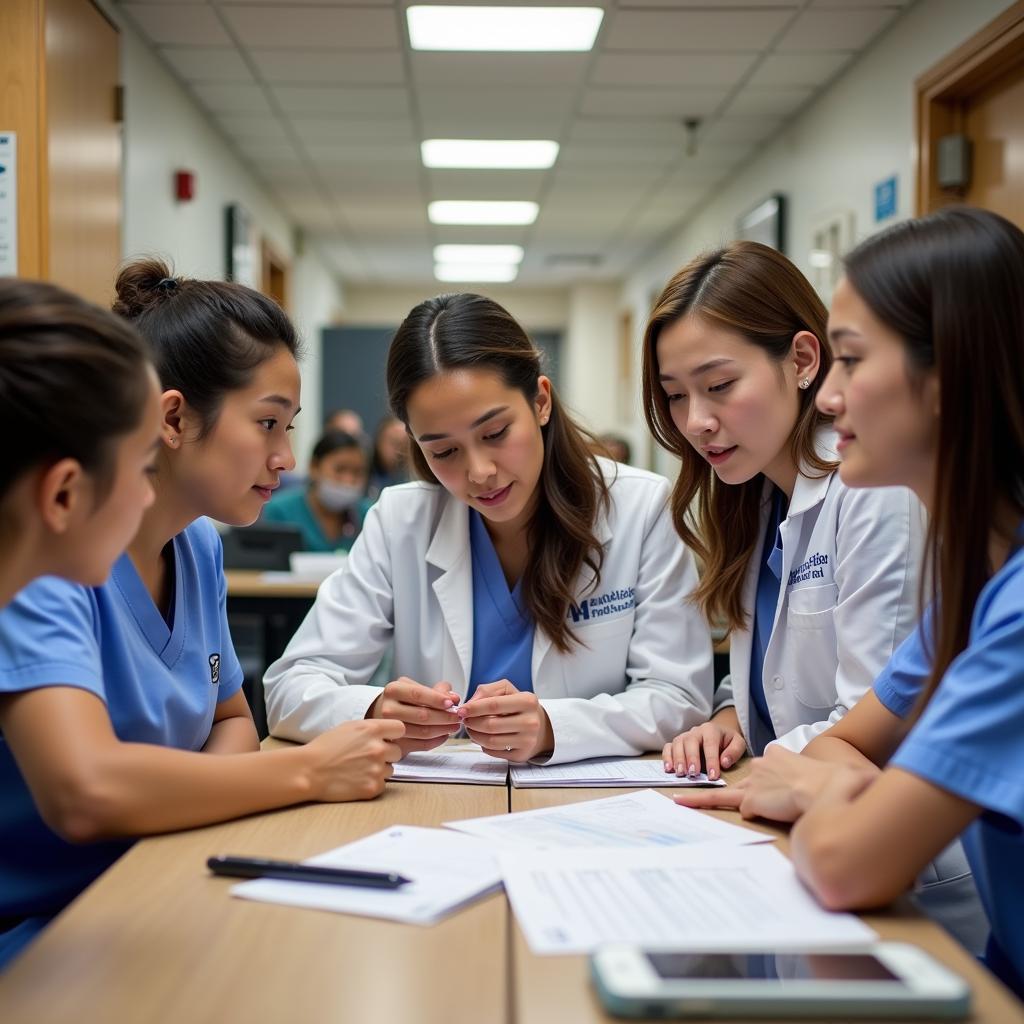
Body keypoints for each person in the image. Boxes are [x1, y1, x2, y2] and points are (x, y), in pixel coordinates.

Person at [0, 262, 402, 970]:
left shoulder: (194, 546)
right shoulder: (46, 559)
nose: (285, 459)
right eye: (268, 423)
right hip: (46, 925)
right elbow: (86, 789)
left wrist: (186, 819)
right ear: (173, 420)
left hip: (157, 879)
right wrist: (307, 772)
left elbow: (230, 721)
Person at [677, 208, 1024, 995]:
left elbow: (843, 859)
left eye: (850, 362)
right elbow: (847, 743)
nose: (827, 398)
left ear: (950, 377)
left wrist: (830, 790)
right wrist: (832, 780)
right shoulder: (978, 597)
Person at [265, 292, 713, 764]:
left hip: (586, 804)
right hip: (439, 805)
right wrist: (372, 708)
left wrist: (553, 728)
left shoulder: (640, 508)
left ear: (540, 401)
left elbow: (678, 696)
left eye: (495, 433)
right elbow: (290, 687)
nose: (479, 472)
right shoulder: (399, 520)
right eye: (443, 452)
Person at [262, 430, 371, 552]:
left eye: (357, 472)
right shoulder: (280, 511)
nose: (348, 480)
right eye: (340, 470)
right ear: (314, 467)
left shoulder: (368, 515)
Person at [367, 415, 411, 498]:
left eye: (404, 444)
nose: (400, 450)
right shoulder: (363, 470)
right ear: (379, 441)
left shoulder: (409, 476)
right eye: (395, 442)